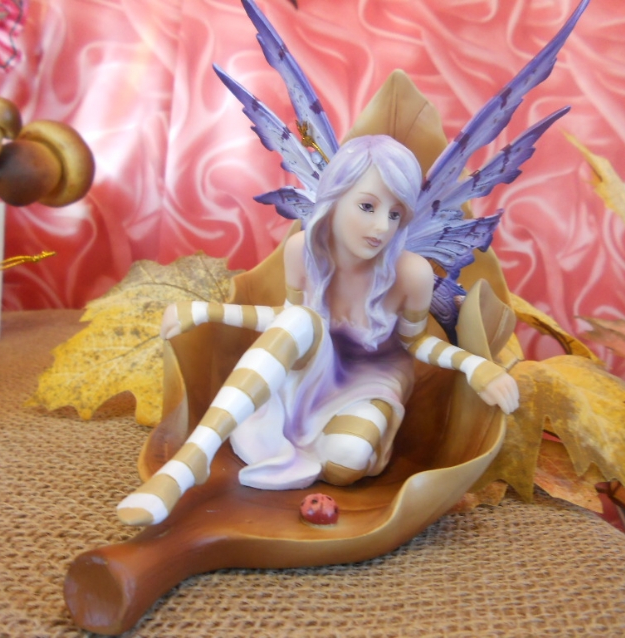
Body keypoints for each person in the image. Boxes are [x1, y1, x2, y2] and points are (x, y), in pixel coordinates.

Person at [117, 135, 519, 526]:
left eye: (395, 214)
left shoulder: (411, 272)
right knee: (301, 319)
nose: (382, 226)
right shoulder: (303, 251)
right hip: (311, 372)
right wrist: (207, 310)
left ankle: (297, 451)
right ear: (335, 197)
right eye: (367, 206)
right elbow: (287, 319)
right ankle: (192, 460)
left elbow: (415, 341)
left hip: (372, 382)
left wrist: (474, 365)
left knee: (347, 460)